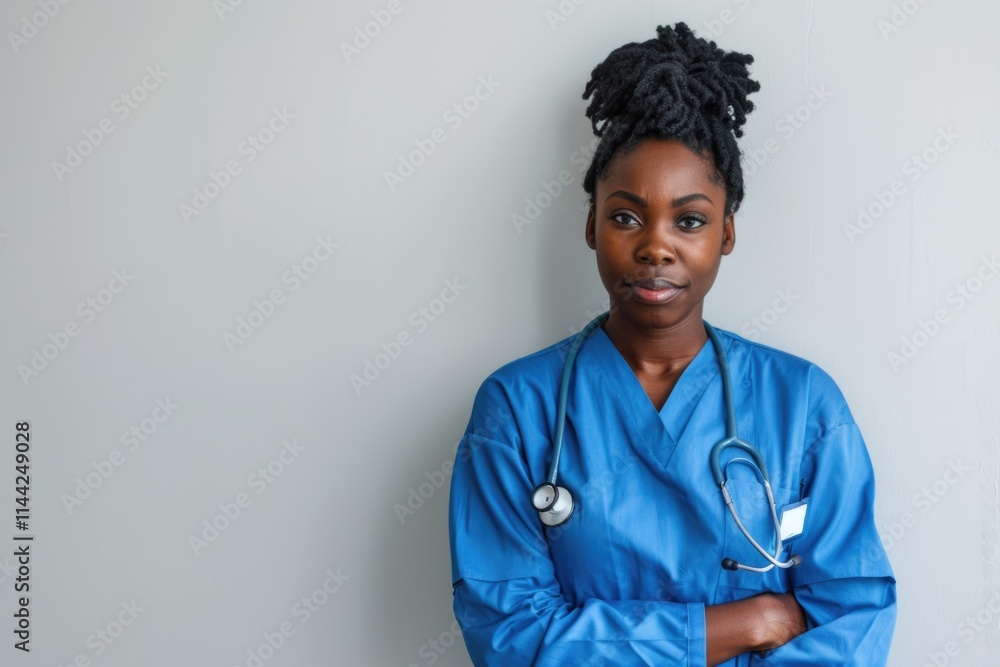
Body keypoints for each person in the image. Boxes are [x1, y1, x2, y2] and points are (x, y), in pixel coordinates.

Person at [447, 22, 896, 666]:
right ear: (590, 227)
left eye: (690, 220)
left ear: (727, 233)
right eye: (626, 216)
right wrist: (750, 621)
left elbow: (851, 620)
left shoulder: (803, 403)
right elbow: (512, 638)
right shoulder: (516, 410)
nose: (656, 246)